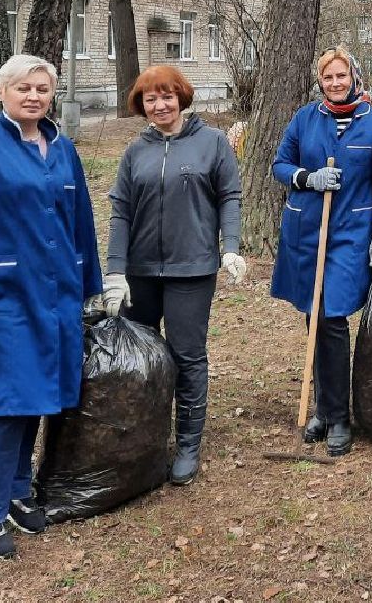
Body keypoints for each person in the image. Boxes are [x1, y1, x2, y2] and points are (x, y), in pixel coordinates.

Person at [0, 55, 103, 560]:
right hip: (2, 297)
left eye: (42, 89)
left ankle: (15, 490)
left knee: (39, 394)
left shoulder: (63, 148)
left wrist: (94, 284)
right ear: (2, 92)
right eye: (24, 88)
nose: (33, 97)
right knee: (7, 404)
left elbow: (81, 220)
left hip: (54, 296)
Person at [101, 65, 245, 486]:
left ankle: (186, 444)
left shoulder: (212, 143)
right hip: (141, 271)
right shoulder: (135, 152)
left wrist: (230, 247)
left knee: (186, 355)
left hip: (192, 269)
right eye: (151, 99)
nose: (160, 105)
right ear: (141, 105)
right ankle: (145, 437)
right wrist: (115, 270)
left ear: (181, 97)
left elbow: (229, 197)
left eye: (167, 97)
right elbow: (121, 212)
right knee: (139, 358)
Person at [271, 47, 372, 457]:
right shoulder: (306, 118)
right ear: (320, 82)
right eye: (328, 78)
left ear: (354, 77)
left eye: (341, 76)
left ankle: (339, 416)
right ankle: (325, 410)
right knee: (315, 316)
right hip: (307, 229)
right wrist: (307, 177)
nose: (335, 83)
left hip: (350, 232)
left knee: (333, 316)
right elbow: (280, 165)